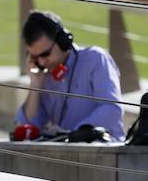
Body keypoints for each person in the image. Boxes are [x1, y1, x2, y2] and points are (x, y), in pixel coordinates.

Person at [16, 10, 125, 141]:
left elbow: (112, 109)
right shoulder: (44, 76)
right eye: (35, 57)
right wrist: (35, 84)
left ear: (62, 40)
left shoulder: (95, 59)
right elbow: (30, 128)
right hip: (67, 153)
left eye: (45, 54)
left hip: (106, 151)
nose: (42, 62)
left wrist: (72, 135)